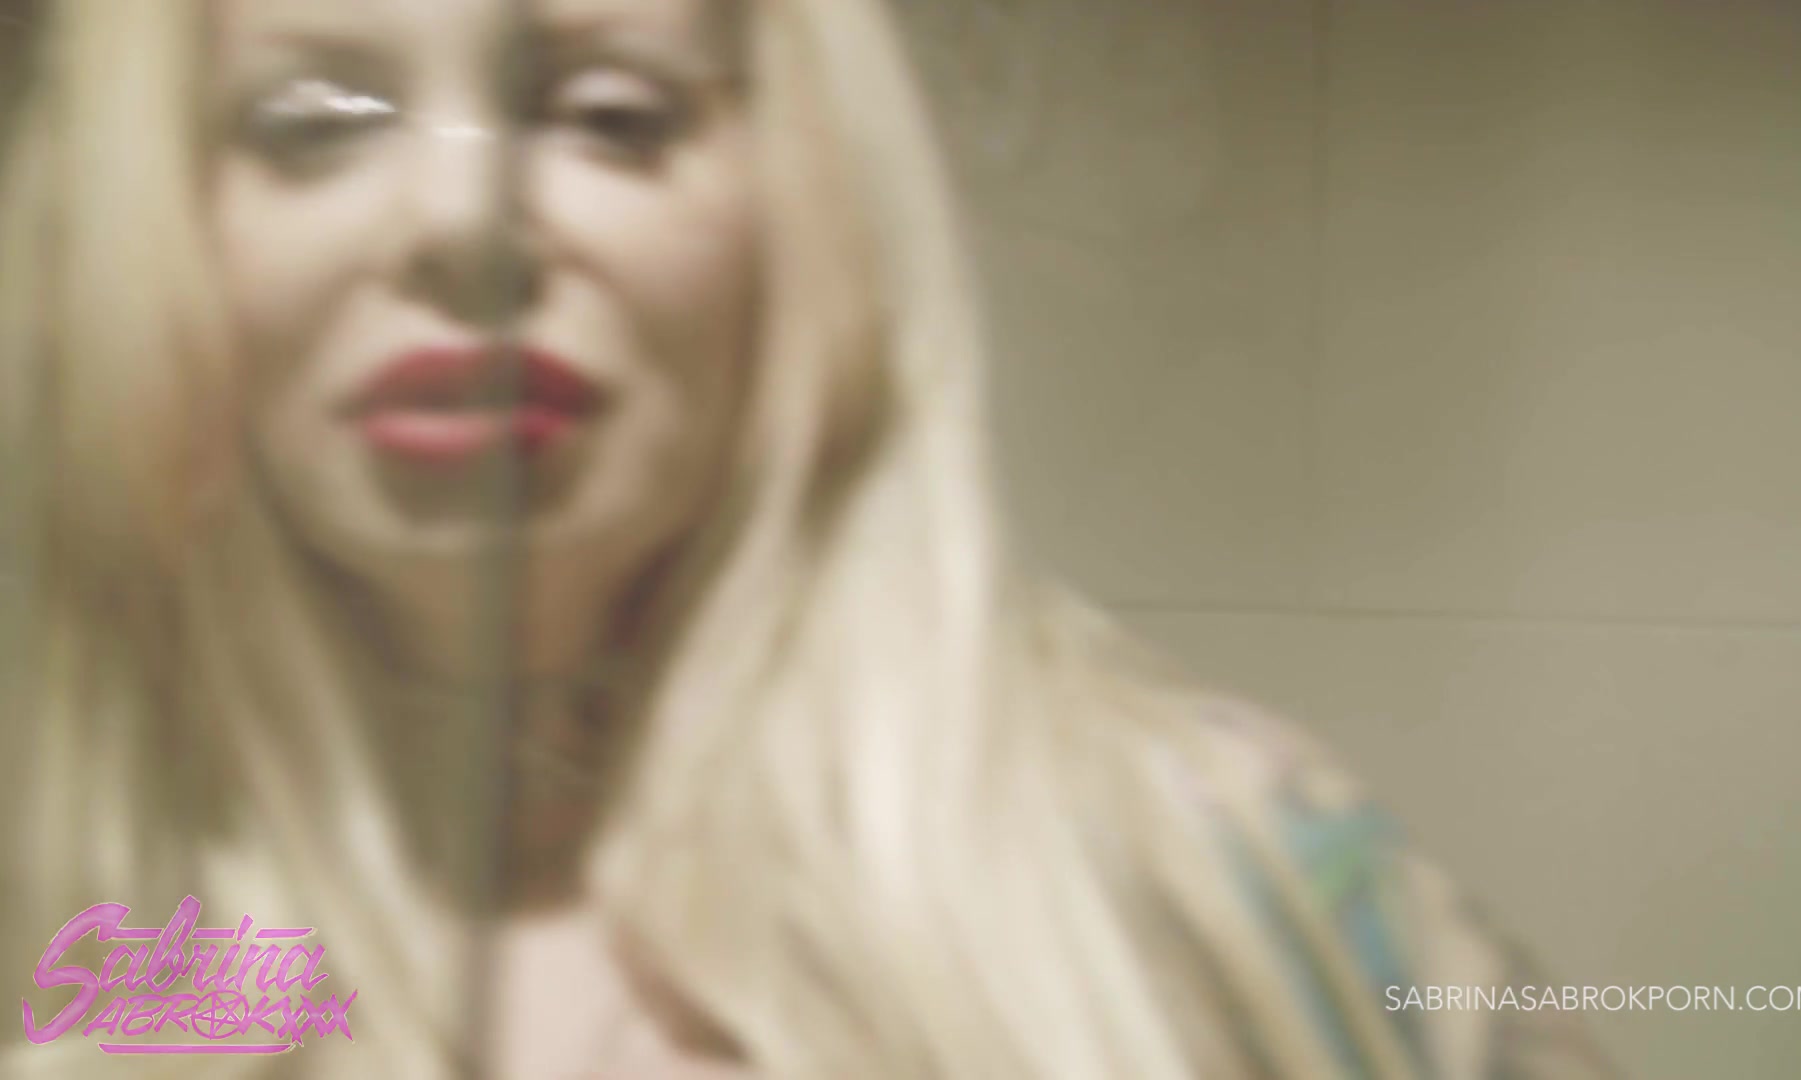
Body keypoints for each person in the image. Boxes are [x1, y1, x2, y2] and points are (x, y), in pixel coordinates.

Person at [0, 1, 1620, 1077]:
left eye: (612, 114)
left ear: (808, 215)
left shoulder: (1215, 859)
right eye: (313, 120)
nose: (462, 222)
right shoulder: (73, 952)